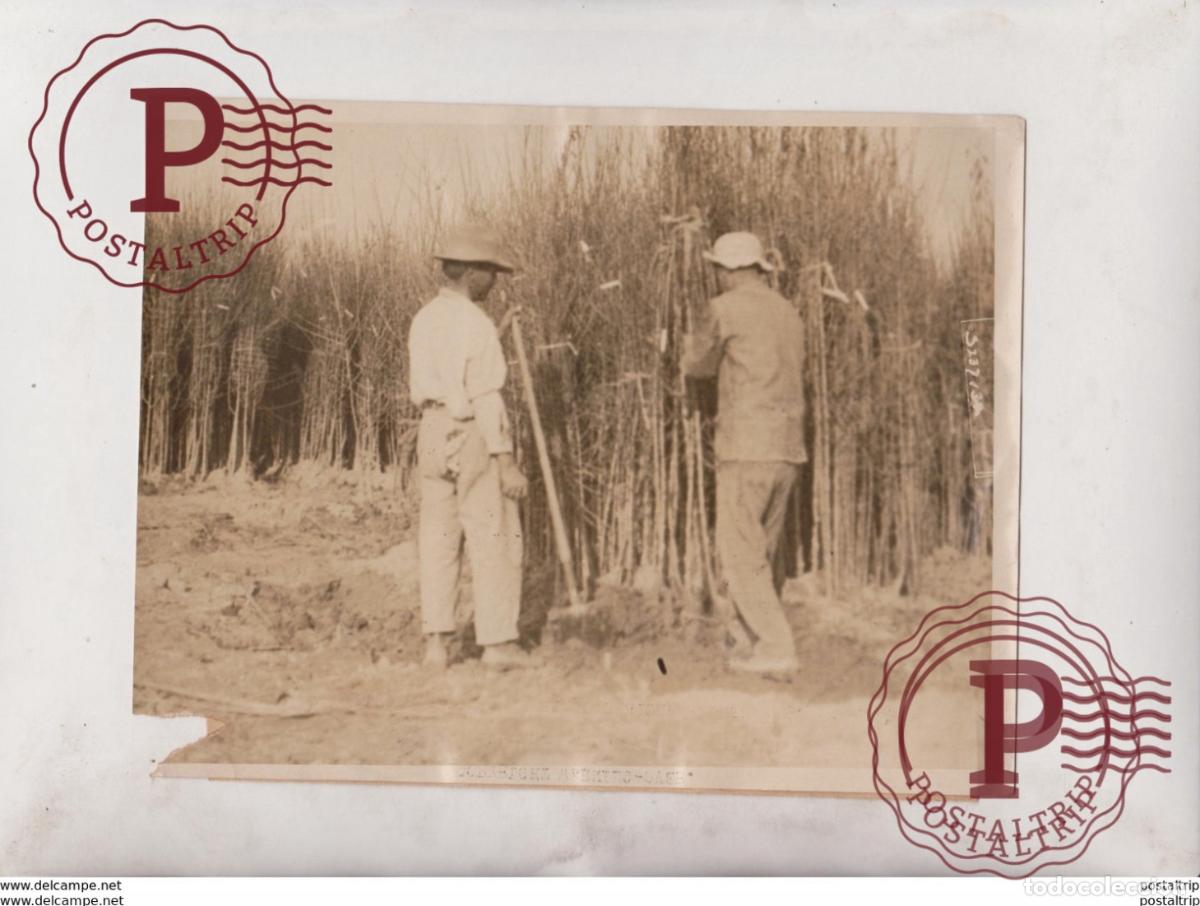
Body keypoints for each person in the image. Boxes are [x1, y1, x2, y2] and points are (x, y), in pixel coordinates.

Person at [407, 224, 539, 670]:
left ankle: (436, 645)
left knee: (438, 537)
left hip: (431, 430)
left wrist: (496, 333)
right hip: (469, 432)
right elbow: (483, 394)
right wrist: (506, 462)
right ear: (471, 273)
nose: (494, 281)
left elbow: (451, 371)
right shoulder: (475, 324)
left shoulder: (425, 318)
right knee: (495, 533)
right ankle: (498, 644)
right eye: (491, 272)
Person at [682, 231, 806, 675]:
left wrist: (679, 343)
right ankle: (747, 640)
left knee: (740, 554)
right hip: (788, 449)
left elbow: (697, 364)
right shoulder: (788, 311)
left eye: (717, 269)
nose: (715, 276)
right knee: (762, 554)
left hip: (746, 446)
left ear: (727, 271)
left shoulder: (724, 308)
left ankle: (776, 647)